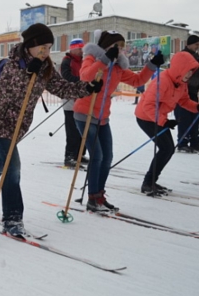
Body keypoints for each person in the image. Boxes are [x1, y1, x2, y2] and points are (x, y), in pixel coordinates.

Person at [0, 23, 101, 236]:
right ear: (31, 45)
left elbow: (61, 88)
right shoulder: (10, 65)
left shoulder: (45, 68)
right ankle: (12, 218)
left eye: (49, 47)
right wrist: (26, 72)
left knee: (0, 160)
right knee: (12, 166)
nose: (46, 52)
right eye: (42, 47)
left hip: (18, 126)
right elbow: (7, 93)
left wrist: (86, 88)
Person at [73, 30, 162, 213]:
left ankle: (99, 194)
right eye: (116, 46)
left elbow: (138, 80)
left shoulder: (118, 67)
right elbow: (85, 77)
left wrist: (152, 65)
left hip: (103, 117)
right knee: (97, 156)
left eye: (122, 47)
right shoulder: (91, 57)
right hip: (85, 114)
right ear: (106, 46)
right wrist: (104, 60)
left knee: (107, 157)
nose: (120, 50)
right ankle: (92, 198)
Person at [135, 51, 199, 195]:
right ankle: (148, 183)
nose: (189, 75)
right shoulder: (162, 81)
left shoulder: (181, 83)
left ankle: (151, 181)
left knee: (167, 149)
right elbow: (148, 106)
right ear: (179, 69)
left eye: (191, 72)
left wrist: (196, 107)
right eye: (187, 72)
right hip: (146, 117)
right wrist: (164, 121)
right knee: (166, 148)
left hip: (158, 117)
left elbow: (184, 101)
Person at [60, 39, 88, 167]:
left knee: (82, 128)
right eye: (79, 48)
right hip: (70, 98)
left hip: (81, 97)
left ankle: (79, 154)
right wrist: (83, 81)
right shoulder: (67, 61)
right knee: (72, 129)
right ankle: (70, 156)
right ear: (72, 49)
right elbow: (66, 77)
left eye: (82, 48)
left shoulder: (84, 60)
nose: (81, 50)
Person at [174, 34, 199, 153]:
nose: (197, 47)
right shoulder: (181, 56)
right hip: (182, 92)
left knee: (195, 117)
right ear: (188, 44)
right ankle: (182, 142)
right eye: (196, 45)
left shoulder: (197, 57)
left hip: (193, 92)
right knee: (184, 118)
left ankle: (194, 142)